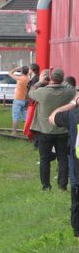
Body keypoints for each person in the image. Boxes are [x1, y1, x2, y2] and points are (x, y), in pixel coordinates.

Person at [28, 68, 76, 191]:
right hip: (63, 131)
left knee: (44, 159)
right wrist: (62, 81)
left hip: (45, 131)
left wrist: (40, 81)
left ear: (51, 79)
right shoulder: (68, 92)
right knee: (63, 159)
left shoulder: (42, 92)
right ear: (62, 79)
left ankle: (46, 186)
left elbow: (30, 91)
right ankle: (62, 186)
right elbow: (73, 89)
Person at [49, 93, 79, 240]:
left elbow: (52, 117)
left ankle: (77, 232)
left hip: (77, 168)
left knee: (76, 199)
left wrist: (74, 102)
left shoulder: (72, 114)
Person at [8, 66, 30, 134]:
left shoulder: (19, 78)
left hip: (17, 99)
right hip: (24, 100)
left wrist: (16, 68)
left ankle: (14, 132)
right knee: (25, 117)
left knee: (15, 116)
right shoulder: (28, 79)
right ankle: (27, 131)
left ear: (21, 71)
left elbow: (10, 73)